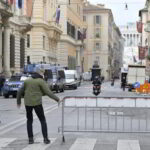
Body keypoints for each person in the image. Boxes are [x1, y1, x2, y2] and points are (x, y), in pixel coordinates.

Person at [17, 67, 60, 144]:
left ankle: (30, 139)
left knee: (29, 120)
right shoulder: (41, 81)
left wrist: (18, 101)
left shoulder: (27, 80)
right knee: (42, 120)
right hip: (37, 103)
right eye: (42, 73)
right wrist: (57, 99)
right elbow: (48, 92)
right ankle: (45, 139)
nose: (43, 74)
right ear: (40, 73)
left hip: (28, 103)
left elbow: (19, 91)